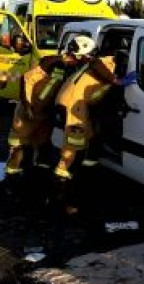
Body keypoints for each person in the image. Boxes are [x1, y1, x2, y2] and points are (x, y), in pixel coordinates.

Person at [52, 35, 136, 214]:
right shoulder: (101, 62)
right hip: (75, 110)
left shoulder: (88, 64)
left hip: (75, 108)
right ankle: (64, 199)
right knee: (71, 156)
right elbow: (96, 64)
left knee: (88, 144)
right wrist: (118, 81)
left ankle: (79, 183)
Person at [1, 38, 88, 196]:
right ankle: (11, 180)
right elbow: (26, 79)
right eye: (82, 57)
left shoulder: (75, 69)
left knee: (43, 148)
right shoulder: (50, 62)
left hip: (45, 115)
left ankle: (37, 182)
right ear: (76, 55)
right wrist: (27, 105)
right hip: (29, 112)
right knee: (19, 147)